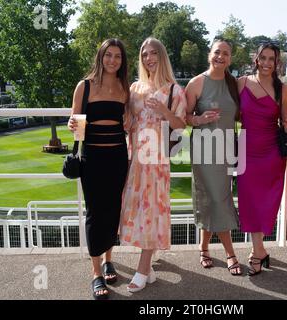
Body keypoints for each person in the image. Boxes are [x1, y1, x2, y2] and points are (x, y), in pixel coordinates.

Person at [119, 37, 187, 292]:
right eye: (145, 54)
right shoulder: (134, 88)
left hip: (157, 159)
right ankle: (148, 268)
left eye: (153, 53)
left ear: (162, 56)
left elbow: (180, 125)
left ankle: (143, 268)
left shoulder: (174, 90)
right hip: (135, 156)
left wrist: (164, 112)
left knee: (151, 211)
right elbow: (129, 121)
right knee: (137, 210)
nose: (149, 58)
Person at [68, 38, 130, 299]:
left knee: (113, 210)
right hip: (92, 158)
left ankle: (108, 259)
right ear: (100, 57)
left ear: (122, 61)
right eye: (108, 55)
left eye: (117, 56)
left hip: (118, 156)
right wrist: (72, 124)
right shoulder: (85, 86)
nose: (112, 60)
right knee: (95, 213)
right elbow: (75, 122)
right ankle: (96, 273)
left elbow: (128, 122)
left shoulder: (125, 87)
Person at [185, 38, 242, 276]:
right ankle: (230, 253)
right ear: (210, 54)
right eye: (217, 52)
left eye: (226, 54)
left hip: (227, 149)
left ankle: (203, 247)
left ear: (230, 58)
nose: (221, 57)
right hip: (204, 149)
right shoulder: (196, 83)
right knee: (217, 199)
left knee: (214, 198)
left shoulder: (235, 84)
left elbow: (239, 116)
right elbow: (185, 117)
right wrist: (199, 119)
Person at [236, 42, 287, 276]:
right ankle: (258, 250)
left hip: (271, 155)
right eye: (263, 58)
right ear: (256, 59)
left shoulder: (283, 89)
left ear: (276, 62)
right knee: (249, 203)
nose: (267, 63)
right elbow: (234, 114)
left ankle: (257, 251)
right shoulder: (241, 83)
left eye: (272, 59)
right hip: (246, 151)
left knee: (266, 204)